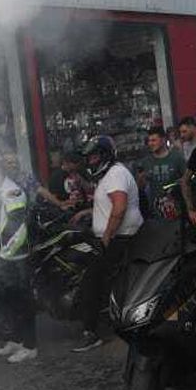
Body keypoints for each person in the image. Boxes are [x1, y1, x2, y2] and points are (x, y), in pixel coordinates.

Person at [73, 136, 144, 353]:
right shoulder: (110, 175)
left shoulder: (115, 173)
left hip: (120, 238)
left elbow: (120, 207)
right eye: (89, 157)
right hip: (117, 236)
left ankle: (91, 332)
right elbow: (110, 204)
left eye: (94, 156)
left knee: (90, 282)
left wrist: (106, 239)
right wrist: (87, 212)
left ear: (105, 155)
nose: (91, 161)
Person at [0, 156, 40, 363]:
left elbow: (18, 228)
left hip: (15, 258)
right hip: (2, 257)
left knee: (22, 302)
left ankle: (30, 346)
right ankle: (16, 340)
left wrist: (5, 254)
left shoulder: (12, 191)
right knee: (7, 301)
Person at [138, 126, 186, 221]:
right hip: (157, 213)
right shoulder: (146, 162)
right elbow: (141, 188)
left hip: (178, 211)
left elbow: (187, 179)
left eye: (154, 140)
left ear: (163, 140)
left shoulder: (177, 158)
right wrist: (141, 179)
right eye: (149, 141)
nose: (150, 143)